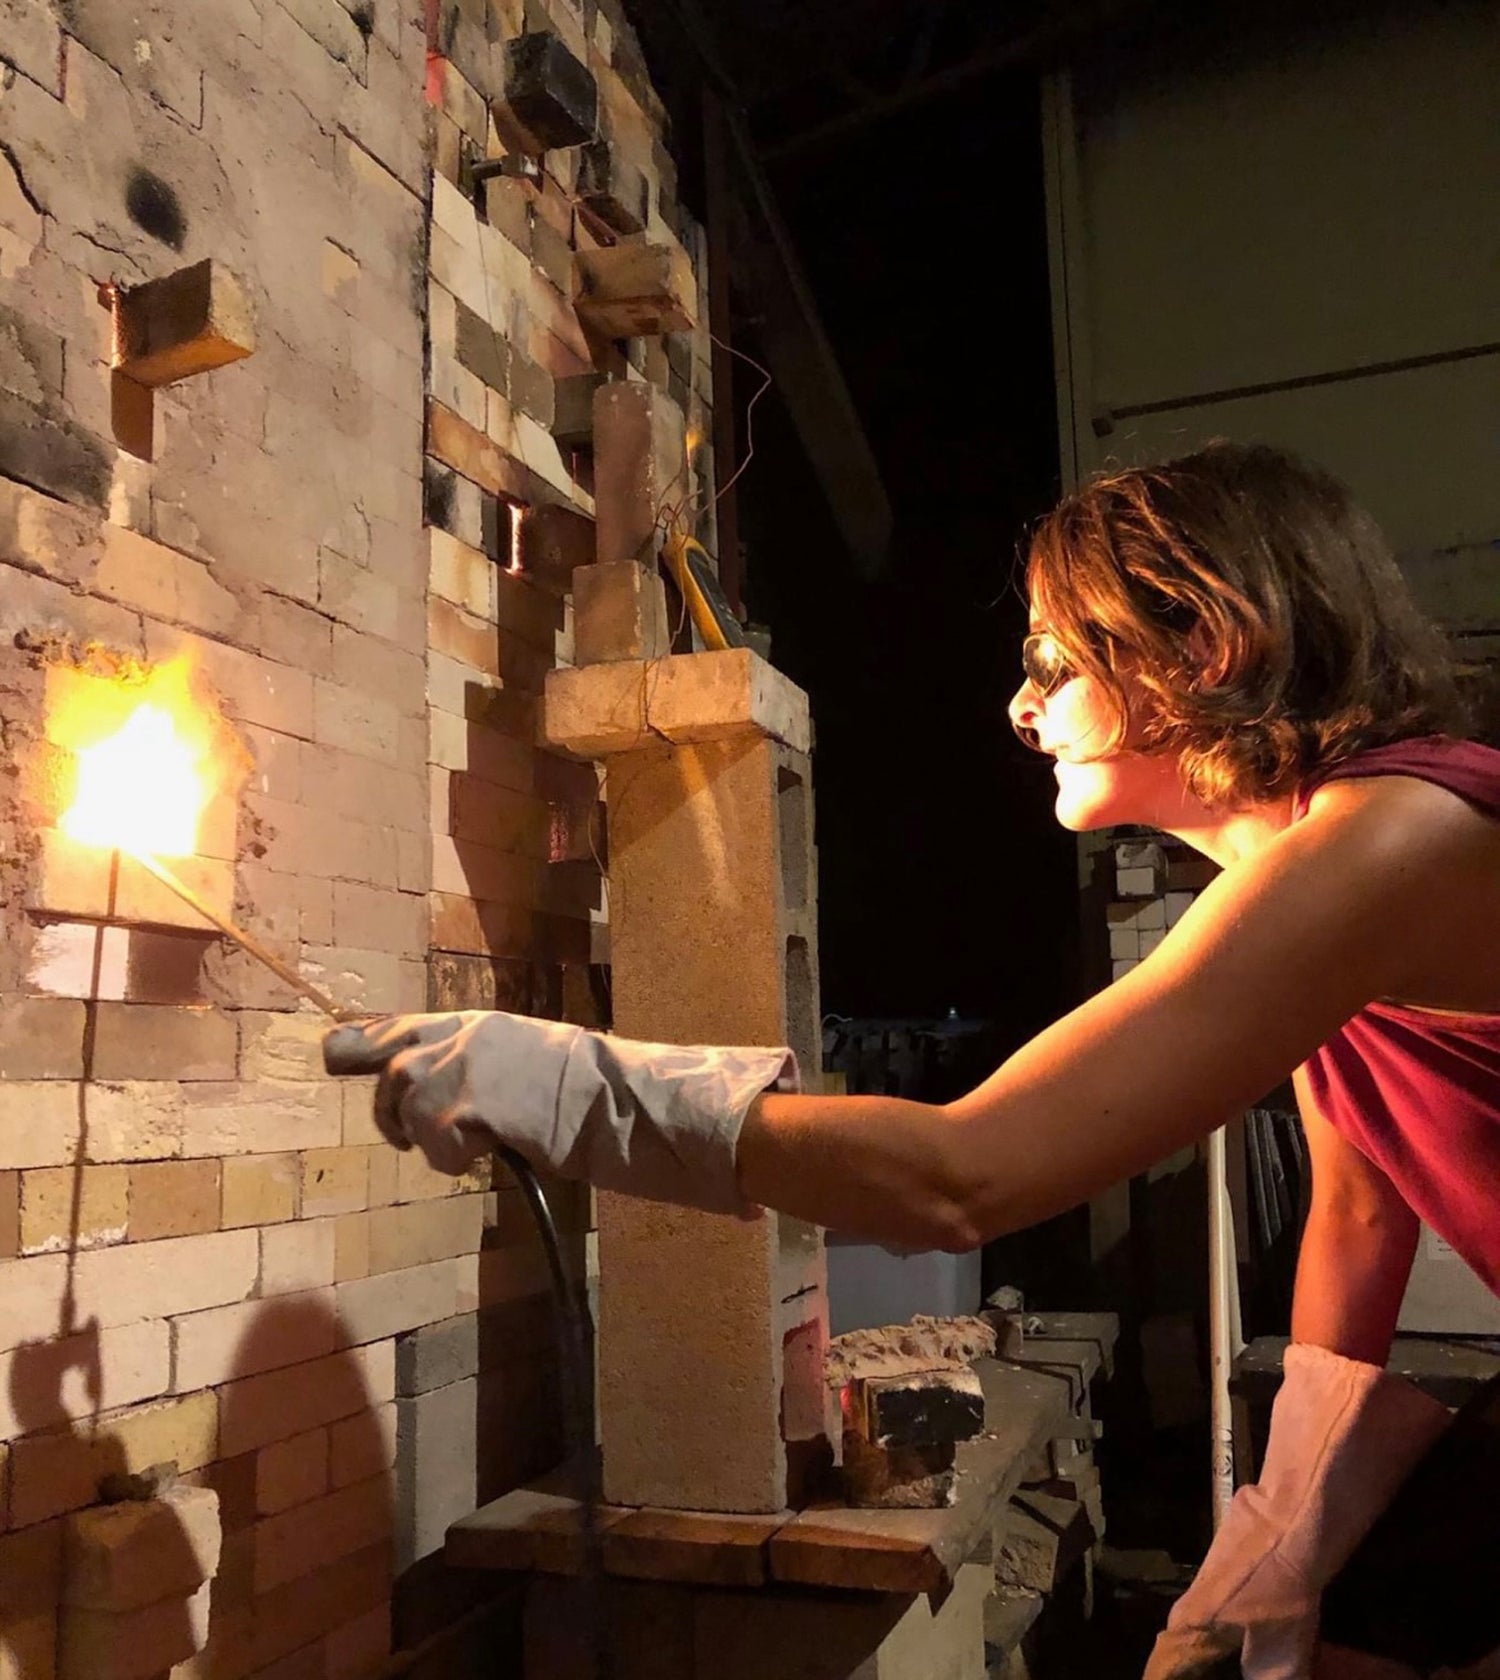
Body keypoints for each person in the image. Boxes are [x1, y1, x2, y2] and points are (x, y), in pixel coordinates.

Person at [325, 442, 1500, 1678]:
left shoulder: (1388, 842)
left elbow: (961, 1179)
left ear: (1201, 649)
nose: (1021, 705)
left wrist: (567, 1088)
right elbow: (1360, 1209)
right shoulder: (1339, 867)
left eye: (1053, 657)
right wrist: (1282, 1538)